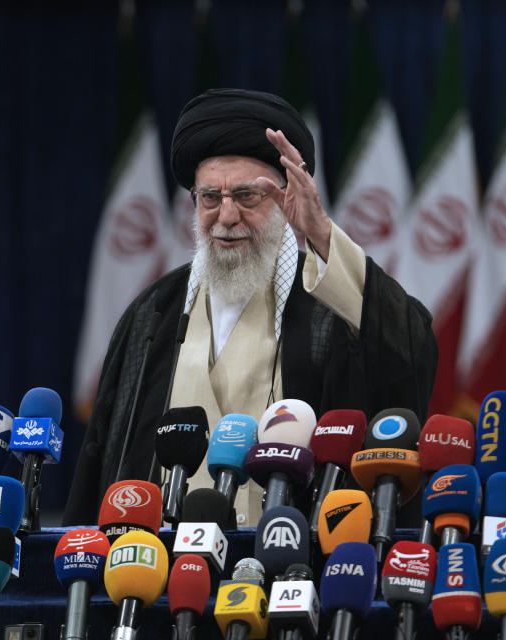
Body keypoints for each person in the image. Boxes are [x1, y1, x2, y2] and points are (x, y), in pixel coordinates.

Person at [64, 88, 437, 526]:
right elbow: (102, 456)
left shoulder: (328, 304)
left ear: (285, 200)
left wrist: (319, 232)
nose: (226, 216)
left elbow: (411, 350)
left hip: (290, 569)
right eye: (210, 198)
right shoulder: (154, 312)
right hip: (162, 576)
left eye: (246, 197)